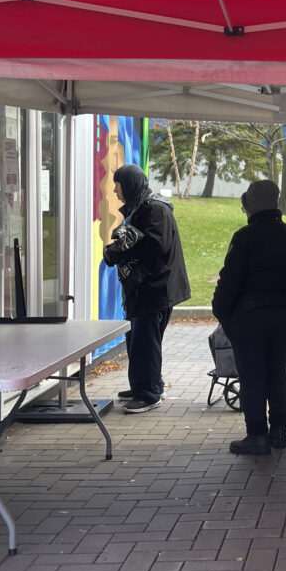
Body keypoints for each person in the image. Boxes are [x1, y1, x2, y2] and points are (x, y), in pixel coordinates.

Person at [212, 180, 286, 454]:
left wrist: (224, 315)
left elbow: (229, 282)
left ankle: (257, 434)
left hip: (249, 319)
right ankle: (278, 432)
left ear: (250, 206)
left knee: (252, 375)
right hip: (284, 318)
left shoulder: (245, 238)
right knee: (277, 372)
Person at [102, 164, 190, 413]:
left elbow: (153, 245)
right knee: (138, 340)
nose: (115, 191)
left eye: (117, 185)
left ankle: (149, 393)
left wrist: (118, 249)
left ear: (128, 184)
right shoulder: (142, 207)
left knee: (145, 342)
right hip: (144, 289)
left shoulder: (154, 208)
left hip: (154, 289)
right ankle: (145, 384)